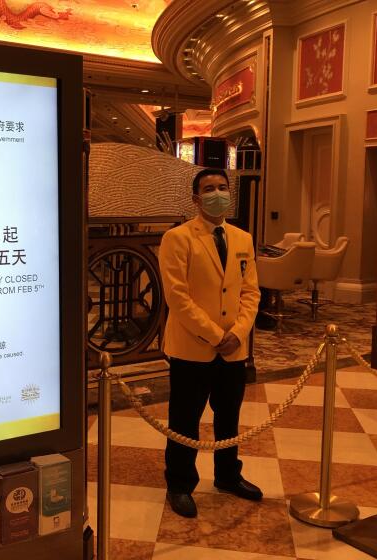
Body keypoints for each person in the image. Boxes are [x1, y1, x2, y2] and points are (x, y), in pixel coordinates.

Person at [158, 168, 262, 518]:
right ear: (195, 198)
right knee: (184, 420)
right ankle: (180, 483)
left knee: (228, 417)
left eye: (221, 187)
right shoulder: (179, 238)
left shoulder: (242, 238)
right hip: (193, 347)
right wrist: (217, 336)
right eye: (208, 189)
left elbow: (251, 291)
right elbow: (178, 297)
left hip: (234, 349)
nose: (216, 193)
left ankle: (228, 475)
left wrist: (239, 332)